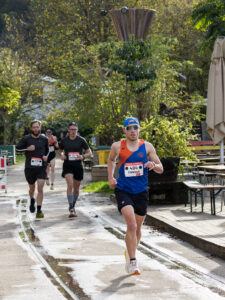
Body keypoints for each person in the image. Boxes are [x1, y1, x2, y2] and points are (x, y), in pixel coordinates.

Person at [107, 117, 163, 275]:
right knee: (131, 224)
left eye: (135, 127)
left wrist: (153, 165)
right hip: (123, 189)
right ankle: (133, 261)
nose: (132, 130)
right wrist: (111, 177)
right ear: (124, 130)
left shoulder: (147, 147)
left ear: (139, 129)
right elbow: (111, 160)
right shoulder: (117, 146)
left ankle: (130, 251)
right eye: (129, 128)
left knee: (138, 228)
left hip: (141, 191)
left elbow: (161, 168)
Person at [58, 122, 92, 218]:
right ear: (68, 130)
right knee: (70, 184)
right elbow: (60, 151)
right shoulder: (64, 141)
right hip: (68, 165)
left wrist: (82, 156)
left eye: (75, 130)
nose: (73, 131)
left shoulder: (81, 140)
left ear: (77, 130)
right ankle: (72, 208)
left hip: (78, 165)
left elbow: (89, 152)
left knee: (76, 189)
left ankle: (72, 205)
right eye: (71, 129)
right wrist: (62, 155)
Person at [16, 120, 49, 218]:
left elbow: (48, 151)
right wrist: (27, 149)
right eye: (34, 127)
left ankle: (39, 210)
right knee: (32, 188)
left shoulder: (44, 139)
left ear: (40, 127)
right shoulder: (26, 138)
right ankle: (32, 200)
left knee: (40, 187)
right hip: (29, 168)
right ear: (31, 128)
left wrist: (46, 157)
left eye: (37, 127)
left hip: (41, 167)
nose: (36, 129)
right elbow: (17, 148)